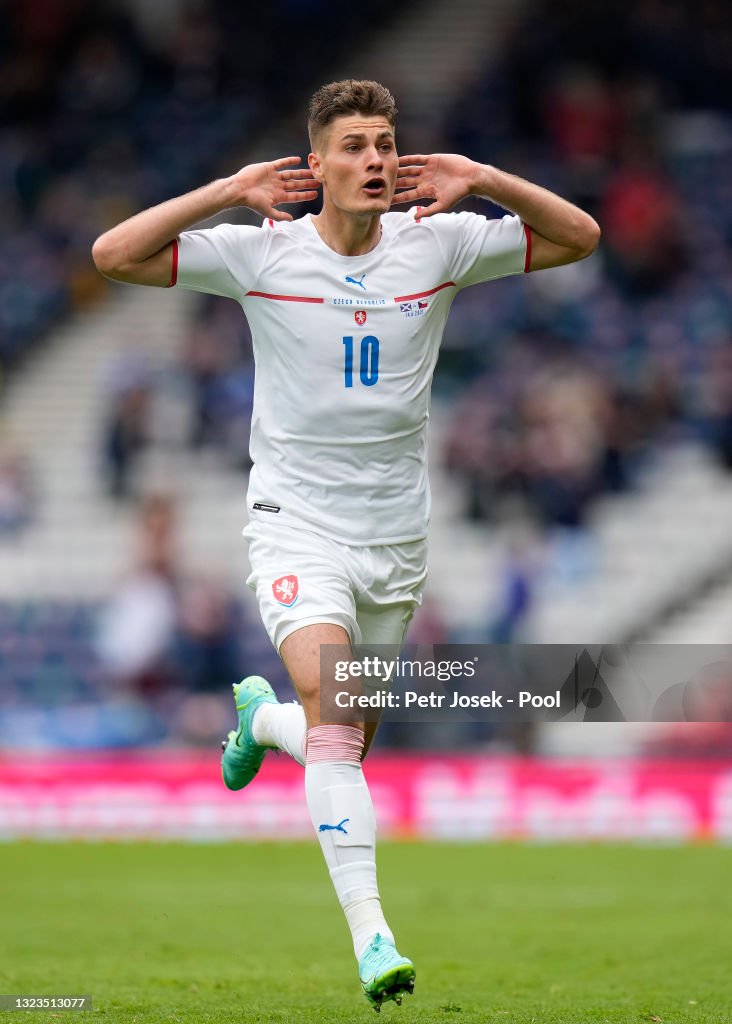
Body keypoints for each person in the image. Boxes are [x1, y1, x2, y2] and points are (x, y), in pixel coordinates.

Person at [92, 79, 600, 1011]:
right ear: (316, 161)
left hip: (395, 540)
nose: (375, 159)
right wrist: (225, 191)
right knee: (333, 710)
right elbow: (113, 254)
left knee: (338, 745)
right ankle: (374, 938)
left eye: (386, 143)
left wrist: (486, 176)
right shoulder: (259, 253)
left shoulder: (439, 242)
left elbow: (581, 237)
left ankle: (258, 722)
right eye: (356, 145)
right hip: (297, 524)